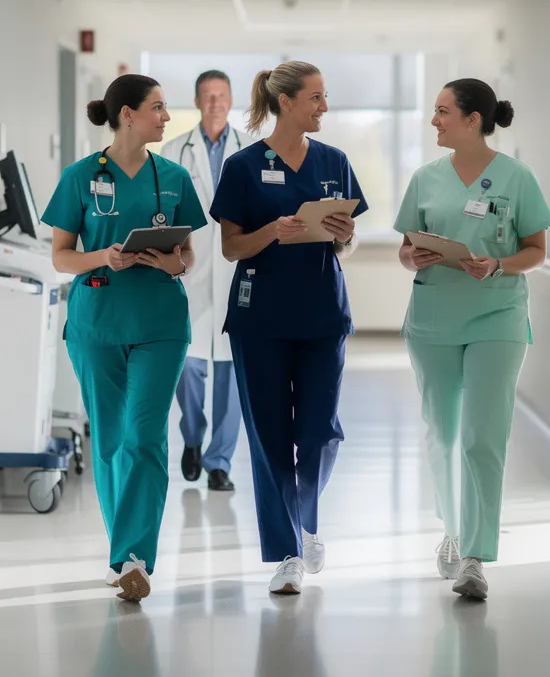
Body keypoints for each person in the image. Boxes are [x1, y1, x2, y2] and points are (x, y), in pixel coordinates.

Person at [42, 74, 208, 602]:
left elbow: (189, 256)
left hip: (160, 325)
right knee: (111, 441)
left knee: (144, 435)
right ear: (127, 115)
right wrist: (105, 256)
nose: (166, 117)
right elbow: (61, 255)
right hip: (96, 324)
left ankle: (135, 557)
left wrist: (170, 262)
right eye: (157, 108)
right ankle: (123, 553)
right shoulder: (80, 177)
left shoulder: (175, 177)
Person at [209, 60, 368, 595]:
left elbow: (343, 240)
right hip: (261, 316)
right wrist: (272, 231)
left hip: (323, 311)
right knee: (269, 436)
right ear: (287, 103)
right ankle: (287, 553)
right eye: (316, 98)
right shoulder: (244, 166)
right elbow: (231, 246)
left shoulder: (334, 161)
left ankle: (304, 517)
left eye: (325, 97)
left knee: (321, 432)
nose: (324, 107)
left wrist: (342, 233)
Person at [393, 79, 550, 600]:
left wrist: (500, 265)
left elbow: (536, 249)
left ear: (473, 119)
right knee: (442, 434)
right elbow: (404, 248)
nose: (434, 120)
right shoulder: (425, 178)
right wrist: (412, 255)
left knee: (483, 436)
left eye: (442, 112)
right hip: (434, 318)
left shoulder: (516, 177)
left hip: (497, 317)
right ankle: (453, 529)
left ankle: (474, 556)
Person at [159, 70, 250, 492]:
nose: (215, 102)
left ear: (231, 100)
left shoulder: (251, 152)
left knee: (232, 375)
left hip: (237, 276)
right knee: (187, 370)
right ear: (197, 101)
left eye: (222, 95)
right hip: (191, 276)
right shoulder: (174, 151)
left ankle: (219, 463)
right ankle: (192, 437)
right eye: (207, 96)